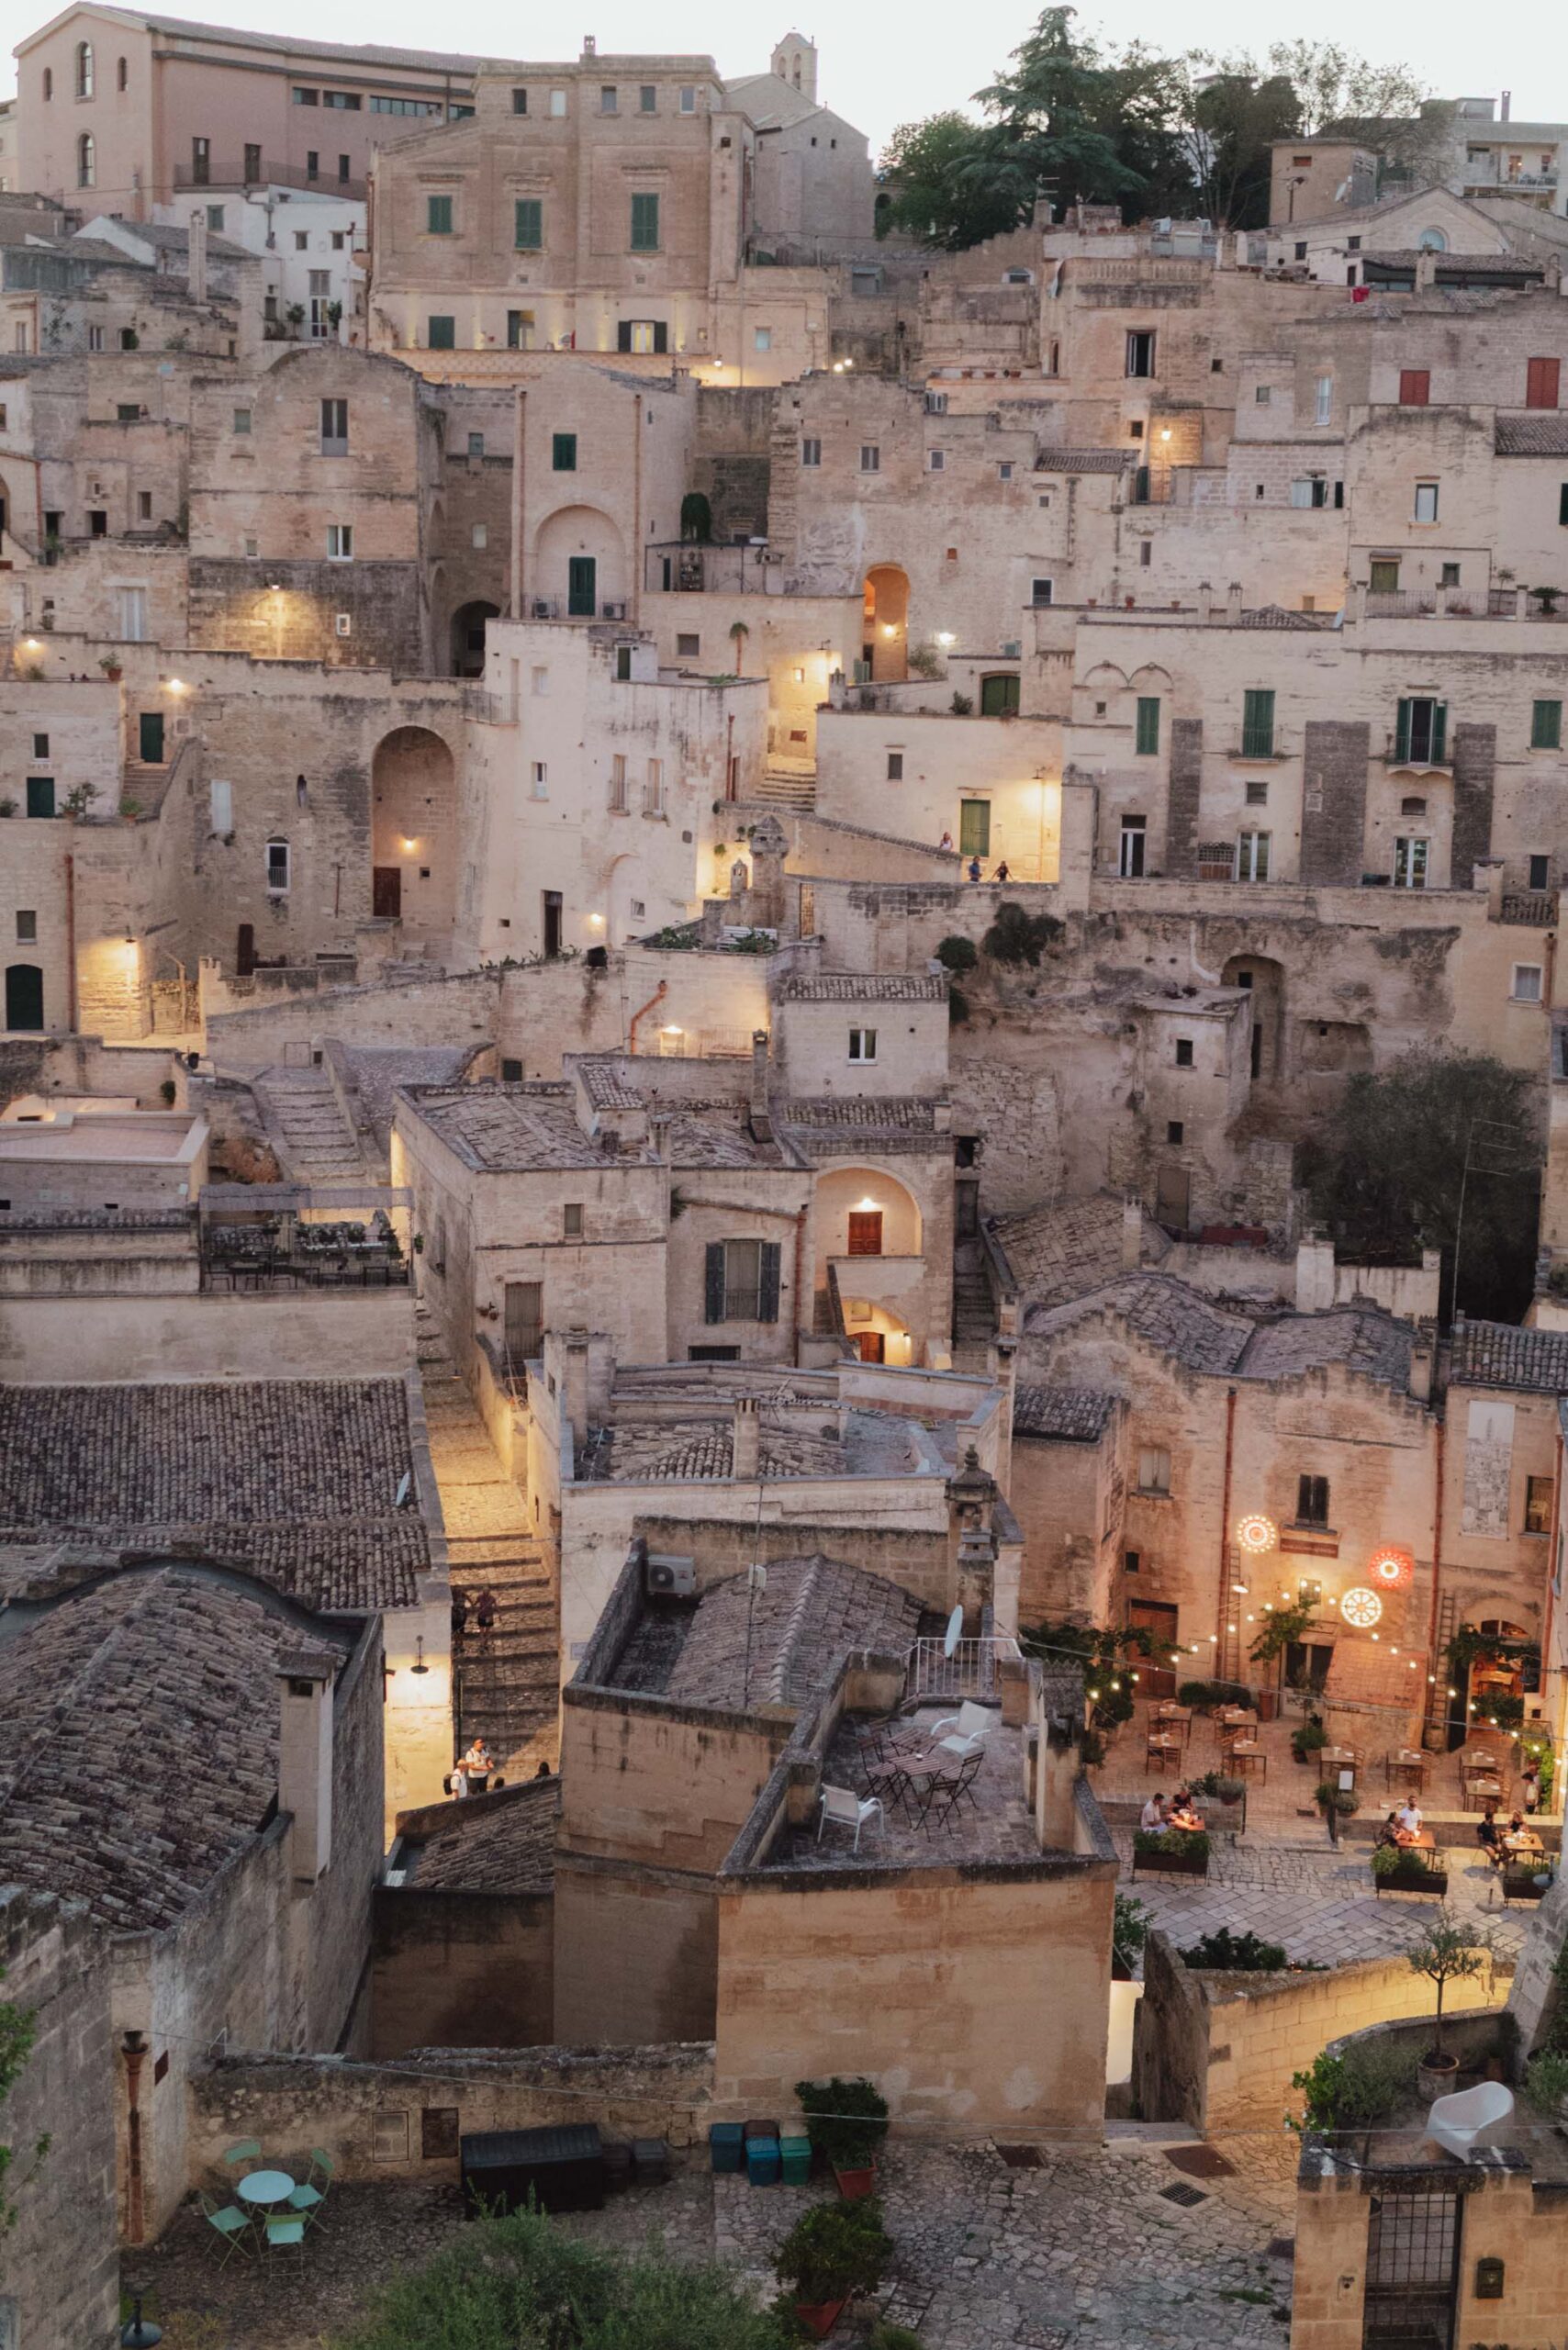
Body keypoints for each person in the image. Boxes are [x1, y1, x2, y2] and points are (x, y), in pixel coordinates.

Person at [1476, 1803, 1504, 1868]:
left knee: (1506, 1853)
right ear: (1489, 1818)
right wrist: (1492, 1845)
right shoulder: (1481, 1827)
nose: (1493, 1819)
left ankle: (1495, 1863)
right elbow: (1481, 1840)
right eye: (1493, 1817)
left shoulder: (1493, 1825)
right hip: (1485, 1844)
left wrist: (1498, 1843)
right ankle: (1495, 1867)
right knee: (1492, 1854)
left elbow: (1497, 1833)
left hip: (1494, 1843)